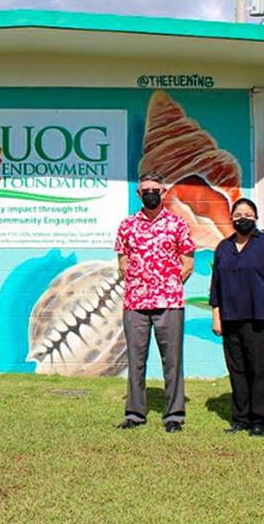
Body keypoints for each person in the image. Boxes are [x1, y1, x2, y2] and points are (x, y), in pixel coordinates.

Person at [115, 172, 196, 432]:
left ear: (163, 193)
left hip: (169, 302)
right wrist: (139, 281)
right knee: (136, 361)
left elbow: (188, 263)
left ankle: (174, 415)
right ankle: (135, 414)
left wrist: (166, 284)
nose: (150, 193)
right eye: (145, 190)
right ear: (139, 194)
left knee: (172, 362)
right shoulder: (127, 225)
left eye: (155, 189)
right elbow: (122, 261)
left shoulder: (177, 224)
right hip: (135, 303)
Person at [209, 198, 264, 437]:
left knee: (258, 370)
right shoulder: (223, 247)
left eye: (248, 214)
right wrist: (216, 316)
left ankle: (258, 420)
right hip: (231, 318)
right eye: (238, 214)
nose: (242, 218)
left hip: (260, 319)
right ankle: (240, 419)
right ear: (231, 218)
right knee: (237, 370)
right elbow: (216, 286)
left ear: (256, 217)